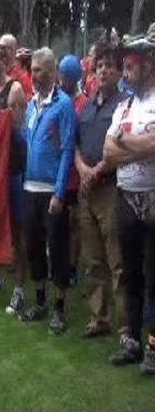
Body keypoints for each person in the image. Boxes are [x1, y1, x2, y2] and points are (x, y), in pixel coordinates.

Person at [104, 26, 155, 372]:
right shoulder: (123, 106)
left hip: (153, 198)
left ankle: (153, 346)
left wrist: (128, 144)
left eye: (132, 64)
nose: (126, 70)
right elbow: (108, 153)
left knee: (154, 275)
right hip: (126, 197)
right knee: (131, 274)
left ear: (149, 65)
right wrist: (140, 147)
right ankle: (133, 340)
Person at [20, 47, 77, 335]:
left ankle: (59, 308)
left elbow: (68, 150)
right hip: (29, 187)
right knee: (33, 248)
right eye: (31, 70)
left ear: (52, 73)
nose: (33, 74)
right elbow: (26, 141)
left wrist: (59, 192)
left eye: (39, 70)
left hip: (51, 190)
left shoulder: (63, 104)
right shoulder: (32, 105)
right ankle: (40, 302)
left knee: (57, 248)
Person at [75, 43, 126, 339]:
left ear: (119, 71)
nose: (103, 70)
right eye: (99, 66)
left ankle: (124, 326)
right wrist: (82, 168)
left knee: (116, 261)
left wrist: (98, 170)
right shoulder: (86, 106)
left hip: (110, 188)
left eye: (109, 65)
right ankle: (99, 318)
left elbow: (120, 146)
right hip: (87, 189)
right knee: (92, 259)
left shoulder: (123, 104)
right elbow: (77, 145)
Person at [0, 46, 28, 307]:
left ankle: (21, 287)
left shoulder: (15, 89)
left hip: (14, 168)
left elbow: (20, 128)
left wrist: (2, 120)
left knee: (18, 229)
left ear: (5, 62)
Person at [58, 55, 89, 286]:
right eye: (61, 76)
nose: (62, 81)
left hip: (76, 172)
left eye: (66, 77)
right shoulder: (57, 100)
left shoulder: (83, 104)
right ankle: (59, 262)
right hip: (59, 170)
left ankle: (72, 266)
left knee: (75, 223)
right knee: (59, 222)